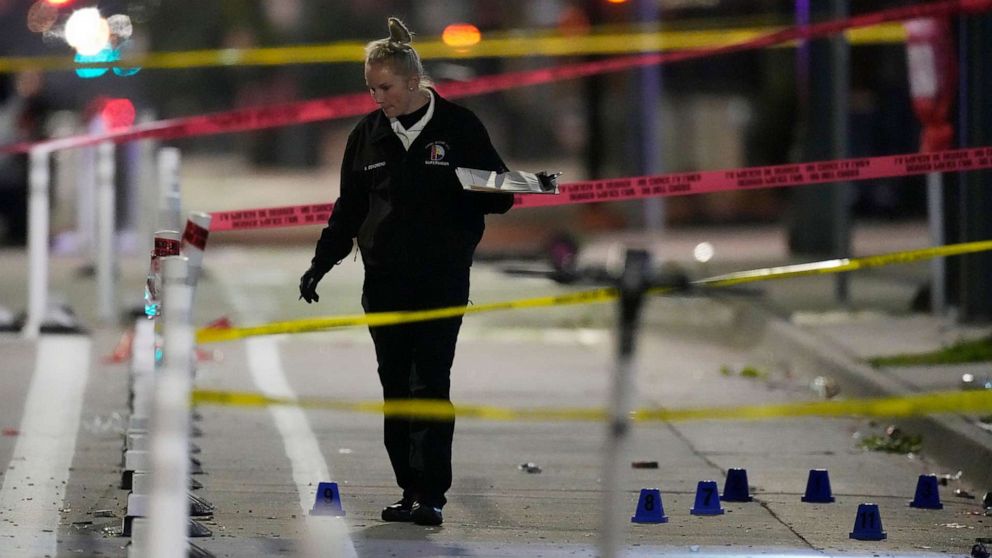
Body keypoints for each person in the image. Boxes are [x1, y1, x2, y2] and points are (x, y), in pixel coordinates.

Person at [299, 17, 513, 527]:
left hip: (441, 278)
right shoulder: (366, 135)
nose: (379, 98)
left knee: (429, 385)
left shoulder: (460, 127)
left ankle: (431, 494)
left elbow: (501, 198)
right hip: (386, 282)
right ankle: (408, 490)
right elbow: (349, 209)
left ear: (414, 81)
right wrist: (320, 265)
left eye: (386, 88)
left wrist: (479, 189)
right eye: (372, 89)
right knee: (395, 387)